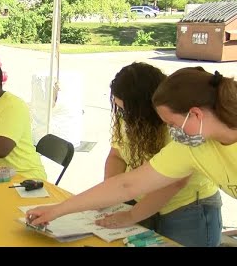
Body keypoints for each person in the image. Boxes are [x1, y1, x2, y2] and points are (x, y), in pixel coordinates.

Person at [27, 66, 236, 245]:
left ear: (196, 114)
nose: (172, 131)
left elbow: (171, 185)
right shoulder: (189, 147)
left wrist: (132, 215)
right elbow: (127, 185)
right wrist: (57, 210)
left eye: (172, 124)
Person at [96, 62, 221, 247]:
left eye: (127, 110)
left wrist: (132, 215)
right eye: (119, 109)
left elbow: (176, 182)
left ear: (146, 107)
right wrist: (110, 195)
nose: (123, 116)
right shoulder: (129, 120)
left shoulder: (178, 124)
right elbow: (117, 156)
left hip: (186, 208)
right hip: (140, 204)